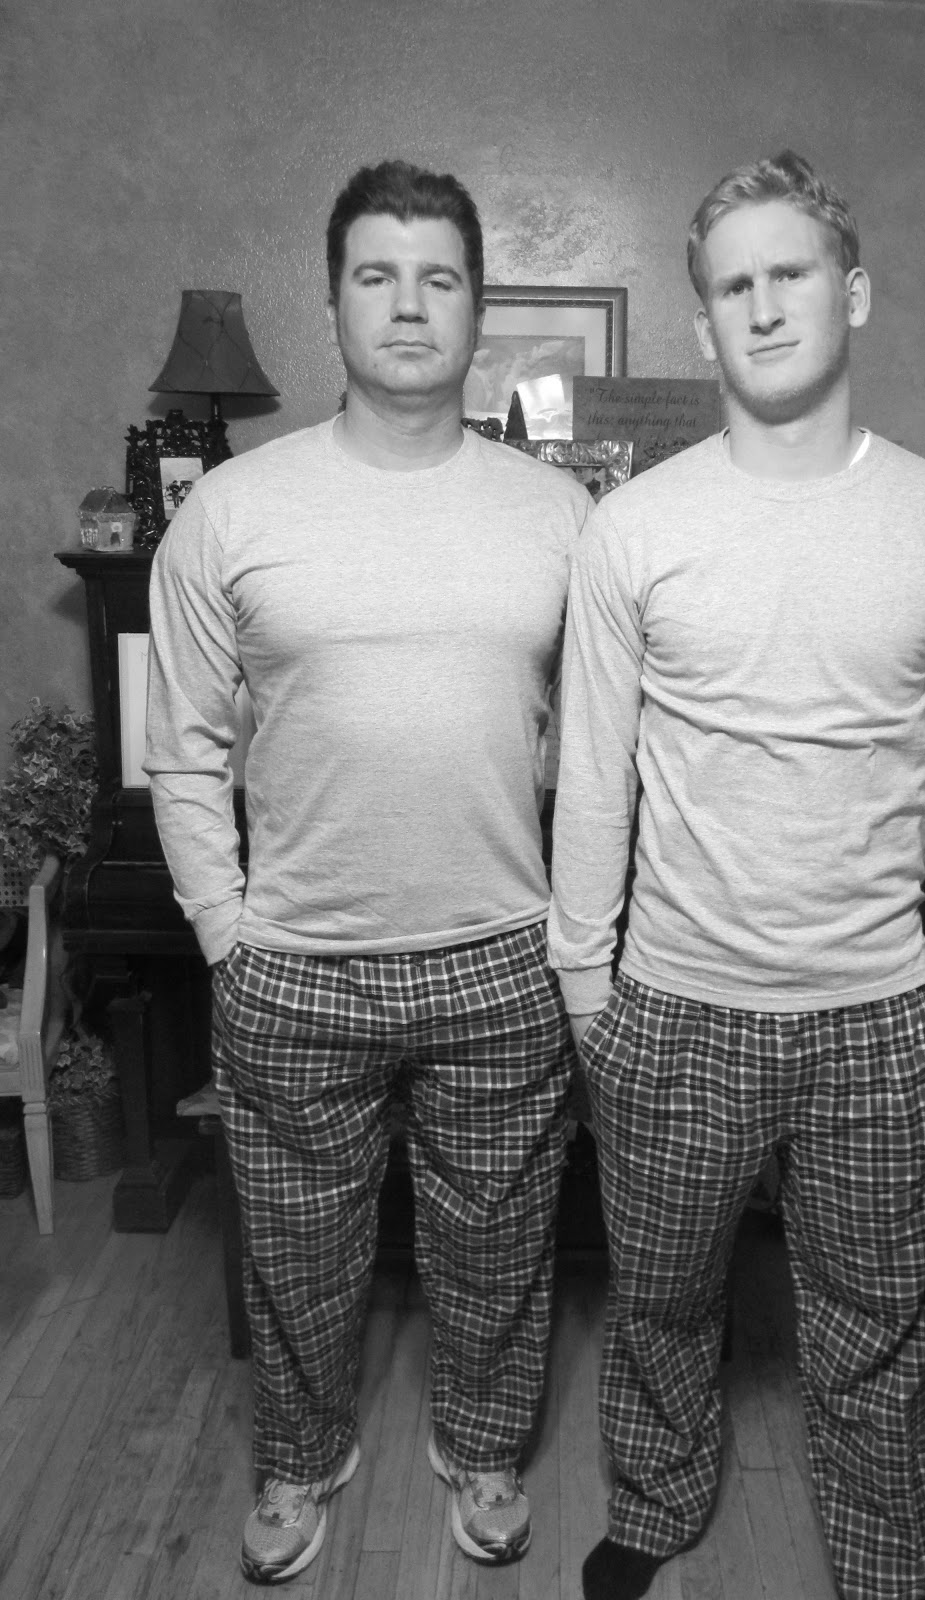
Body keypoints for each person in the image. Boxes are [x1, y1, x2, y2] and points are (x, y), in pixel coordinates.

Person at [548, 151, 925, 1600]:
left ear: (851, 294)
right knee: (663, 1299)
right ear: (705, 325)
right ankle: (656, 1501)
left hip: (884, 1013)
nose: (762, 306)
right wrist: (584, 980)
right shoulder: (632, 530)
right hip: (675, 1007)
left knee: (883, 1320)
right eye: (734, 285)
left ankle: (887, 1555)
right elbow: (595, 771)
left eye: (790, 273)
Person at [145, 158, 591, 1585]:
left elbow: (604, 751)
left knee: (501, 1244)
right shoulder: (233, 510)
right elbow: (181, 746)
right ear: (334, 298)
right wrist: (225, 930)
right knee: (294, 1252)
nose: (409, 304)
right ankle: (299, 1459)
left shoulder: (559, 516)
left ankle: (485, 1449)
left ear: (476, 309)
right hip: (294, 962)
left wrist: (582, 937)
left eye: (439, 277)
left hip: (502, 955)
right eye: (378, 275)